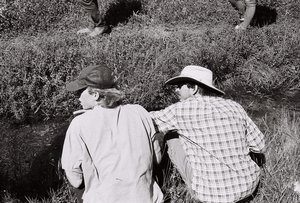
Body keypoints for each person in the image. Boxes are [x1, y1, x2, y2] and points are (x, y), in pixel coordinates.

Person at [150, 65, 266, 203]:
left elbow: (147, 121)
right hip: (249, 187)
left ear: (194, 89)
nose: (176, 90)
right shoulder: (235, 106)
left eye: (180, 86)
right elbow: (260, 147)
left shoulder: (181, 109)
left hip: (211, 195)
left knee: (171, 136)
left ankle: (164, 182)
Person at [61, 65, 163, 203]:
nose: (77, 97)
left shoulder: (79, 123)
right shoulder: (140, 111)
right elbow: (157, 158)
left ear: (95, 95)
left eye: (80, 92)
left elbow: (76, 181)